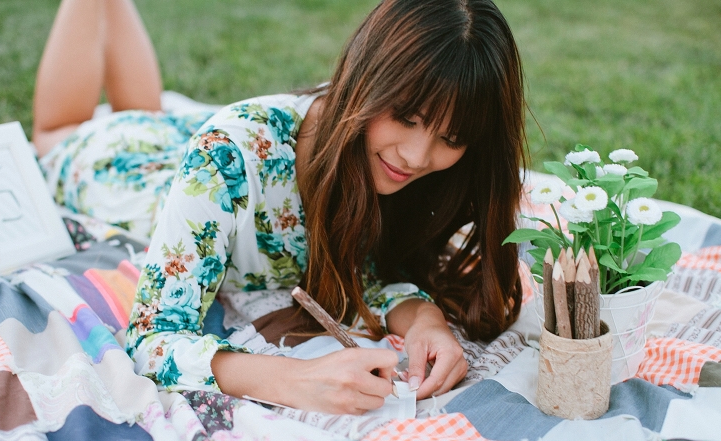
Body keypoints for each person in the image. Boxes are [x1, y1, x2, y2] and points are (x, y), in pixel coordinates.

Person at [33, 0, 527, 415]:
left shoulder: (404, 163)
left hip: (193, 151)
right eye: (406, 117)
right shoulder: (226, 153)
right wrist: (293, 379)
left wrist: (425, 321)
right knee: (60, 135)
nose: (417, 157)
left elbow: (369, 271)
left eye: (452, 137)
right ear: (367, 78)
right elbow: (152, 336)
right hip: (127, 170)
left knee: (149, 112)